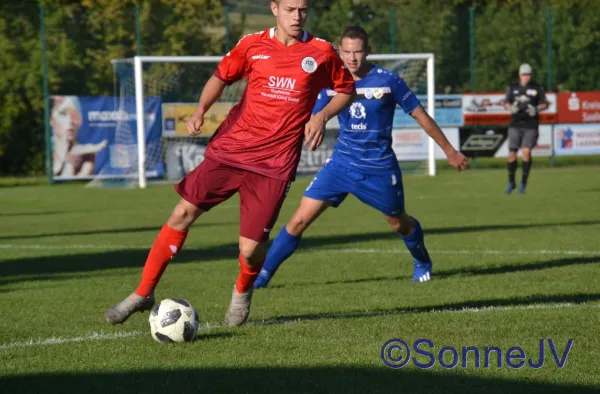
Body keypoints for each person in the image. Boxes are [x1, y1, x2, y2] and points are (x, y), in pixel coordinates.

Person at [104, 0, 356, 327]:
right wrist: (199, 110)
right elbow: (220, 77)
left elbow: (346, 90)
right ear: (274, 9)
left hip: (274, 166)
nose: (297, 16)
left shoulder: (322, 52)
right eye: (291, 9)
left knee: (250, 250)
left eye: (303, 10)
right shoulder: (251, 45)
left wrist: (321, 115)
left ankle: (242, 290)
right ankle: (143, 292)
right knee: (181, 213)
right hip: (230, 151)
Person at [253, 26, 468, 290]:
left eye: (358, 52)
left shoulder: (389, 81)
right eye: (347, 52)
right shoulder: (329, 82)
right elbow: (308, 119)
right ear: (339, 51)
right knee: (298, 220)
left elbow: (421, 117)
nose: (352, 58)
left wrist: (449, 151)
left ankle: (422, 262)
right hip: (341, 165)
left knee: (398, 222)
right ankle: (262, 276)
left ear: (368, 51)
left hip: (378, 167)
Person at [503, 63, 549, 194]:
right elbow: (506, 102)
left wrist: (537, 108)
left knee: (526, 152)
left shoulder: (536, 88)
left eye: (528, 74)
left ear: (531, 75)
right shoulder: (513, 88)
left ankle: (523, 183)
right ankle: (511, 182)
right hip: (515, 124)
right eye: (524, 74)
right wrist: (510, 107)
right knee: (512, 154)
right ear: (519, 75)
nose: (526, 77)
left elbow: (545, 103)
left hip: (530, 125)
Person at [50, 96, 107, 178]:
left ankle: (79, 179)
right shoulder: (53, 144)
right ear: (52, 121)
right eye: (63, 115)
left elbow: (74, 150)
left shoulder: (75, 144)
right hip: (61, 171)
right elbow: (67, 152)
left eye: (73, 118)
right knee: (71, 160)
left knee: (88, 156)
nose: (70, 123)